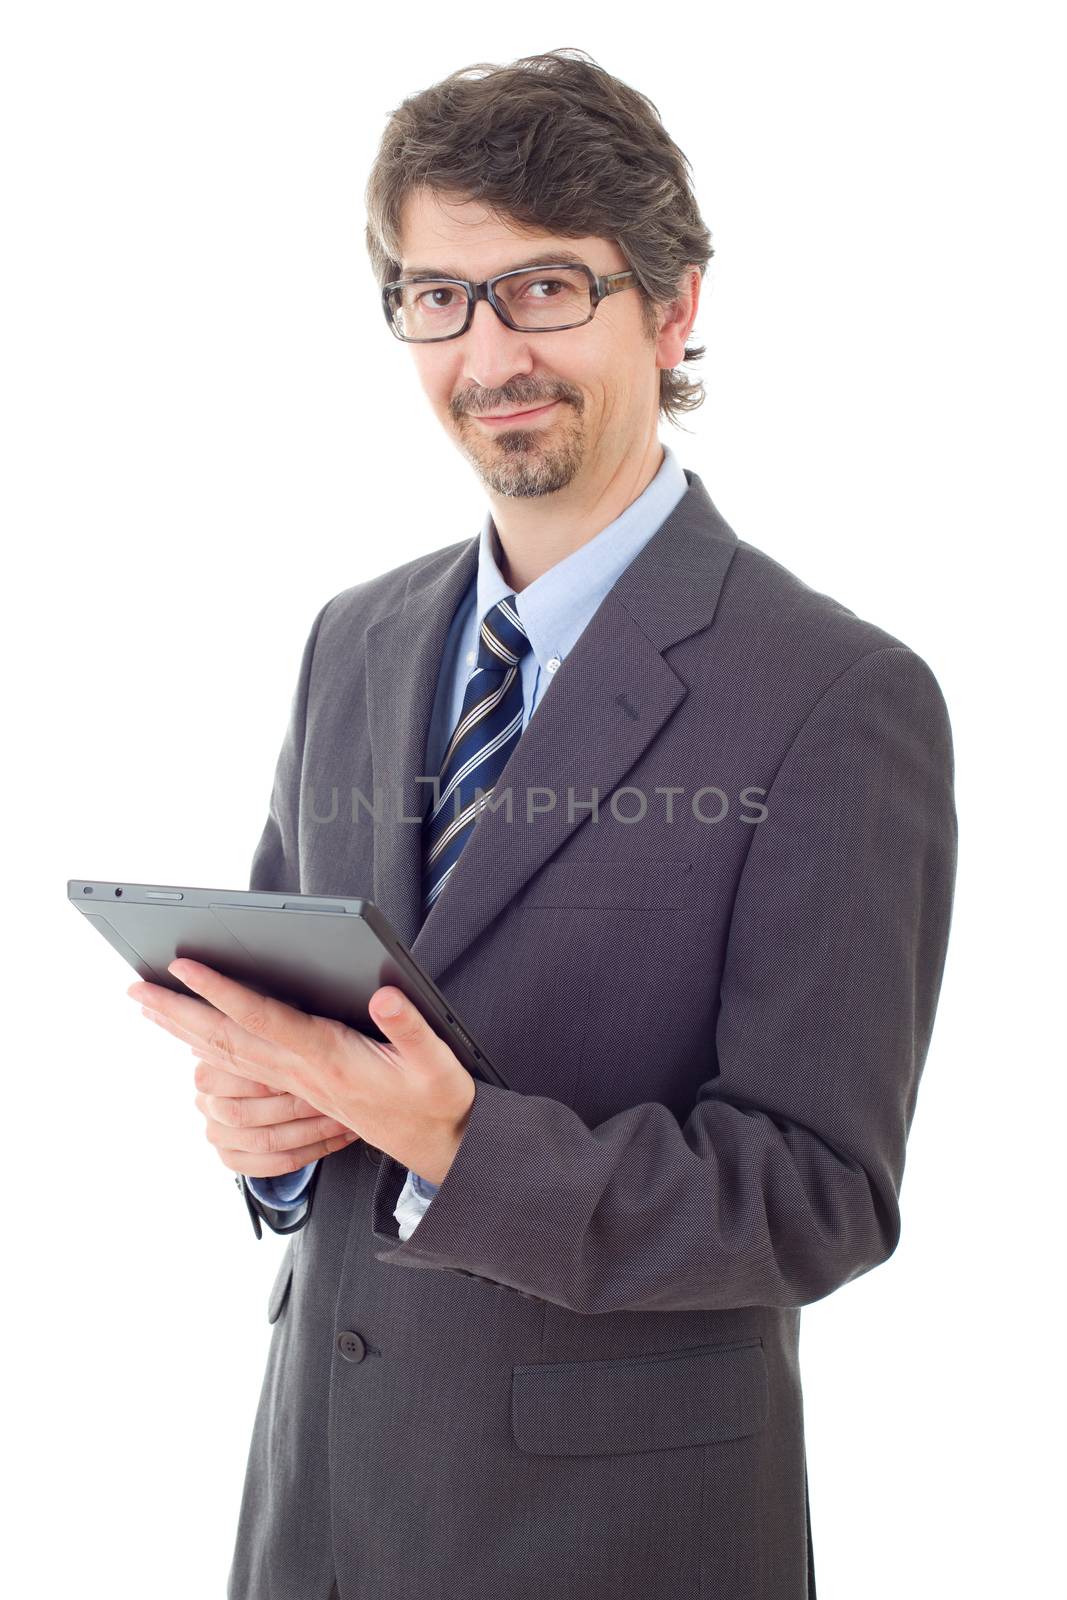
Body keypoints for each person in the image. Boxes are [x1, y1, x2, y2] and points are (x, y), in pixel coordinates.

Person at [167, 48, 956, 1600]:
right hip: (319, 1517)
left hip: (617, 1547)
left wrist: (458, 1145)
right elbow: (296, 1021)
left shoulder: (837, 694)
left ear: (671, 310)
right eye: (438, 296)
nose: (488, 352)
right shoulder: (356, 639)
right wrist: (260, 1133)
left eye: (543, 290)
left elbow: (819, 1194)